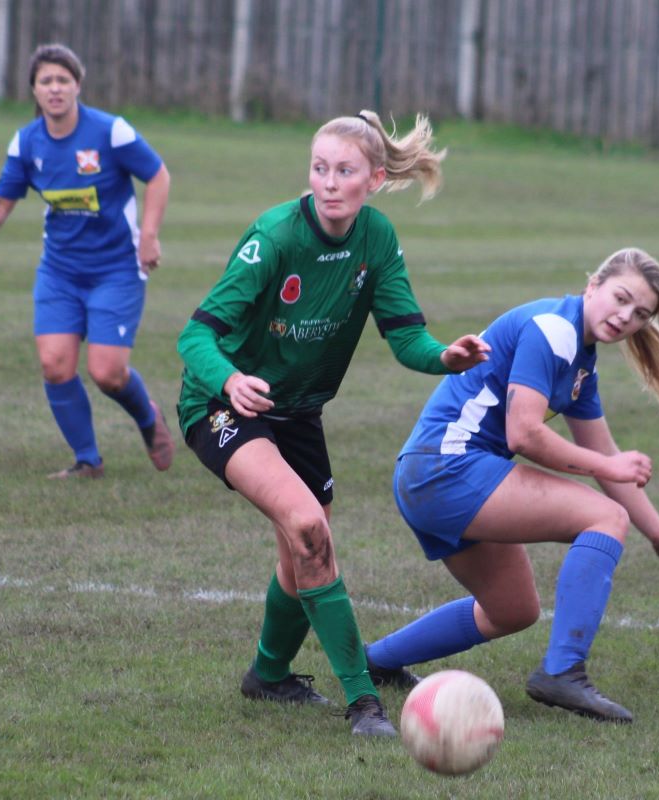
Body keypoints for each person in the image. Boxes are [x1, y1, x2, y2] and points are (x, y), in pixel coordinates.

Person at [176, 111, 490, 737]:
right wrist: (229, 381)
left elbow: (405, 336)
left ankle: (268, 676)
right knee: (308, 527)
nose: (327, 182)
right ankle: (363, 703)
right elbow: (196, 335)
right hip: (222, 406)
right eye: (319, 168)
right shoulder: (275, 236)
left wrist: (443, 358)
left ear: (373, 179)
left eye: (344, 171)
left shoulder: (376, 238)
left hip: (299, 413)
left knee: (301, 557)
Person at [364, 247, 659, 723]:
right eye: (621, 298)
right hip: (447, 468)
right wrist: (610, 470)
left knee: (512, 609)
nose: (626, 316)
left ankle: (375, 662)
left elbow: (604, 455)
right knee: (605, 517)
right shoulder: (554, 330)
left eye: (640, 314)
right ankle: (564, 673)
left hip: (434, 475)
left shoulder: (579, 359)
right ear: (593, 285)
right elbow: (524, 434)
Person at [0, 43, 174, 479]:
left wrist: (148, 236)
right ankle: (87, 461)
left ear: (78, 85)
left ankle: (149, 419)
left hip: (116, 269)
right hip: (60, 271)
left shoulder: (111, 132)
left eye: (63, 80)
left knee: (107, 373)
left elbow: (158, 174)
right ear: (34, 90)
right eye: (46, 81)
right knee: (55, 364)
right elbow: (2, 200)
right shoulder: (27, 142)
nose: (55, 88)